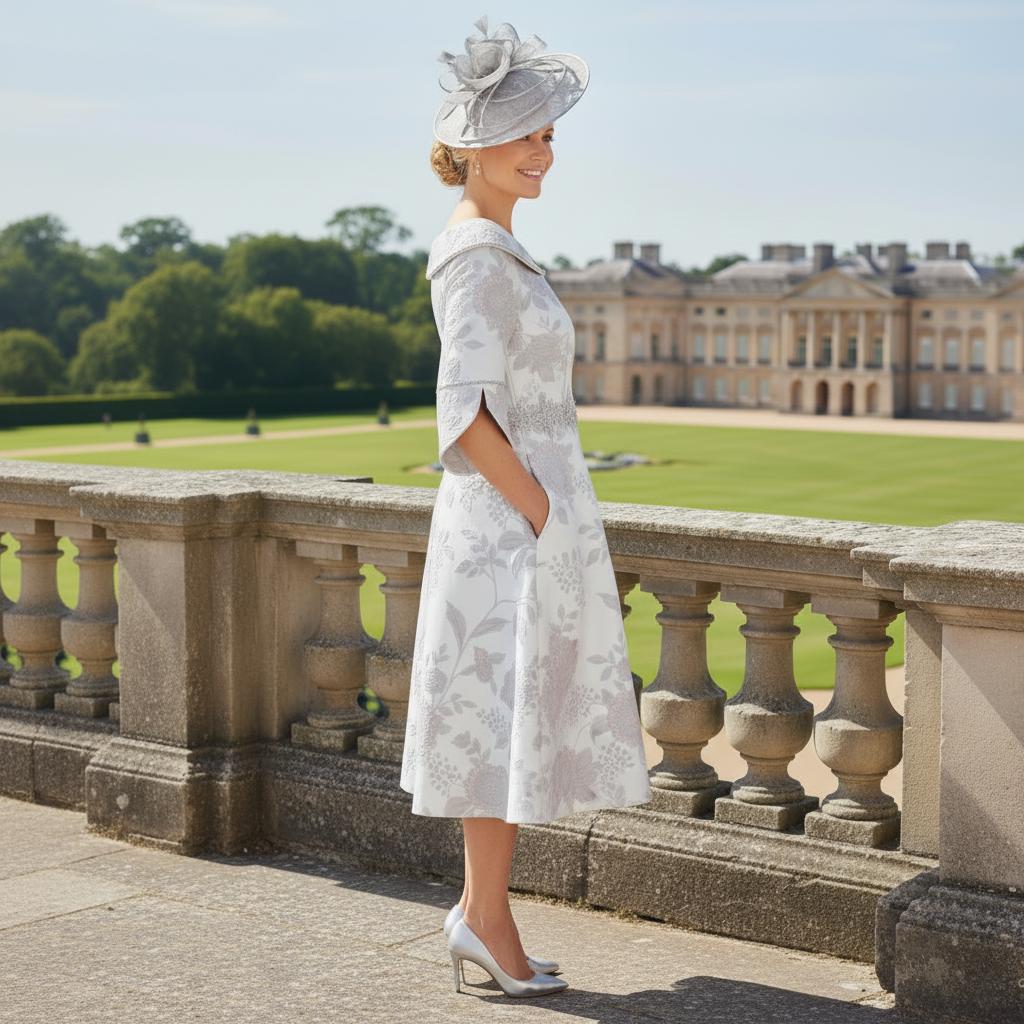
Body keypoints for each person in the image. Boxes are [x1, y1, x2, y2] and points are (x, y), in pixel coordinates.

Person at [399, 15, 652, 998]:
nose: (545, 150)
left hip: (523, 521)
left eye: (550, 134)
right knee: (494, 730)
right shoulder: (472, 256)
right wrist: (544, 517)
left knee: (503, 734)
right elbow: (462, 419)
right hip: (506, 528)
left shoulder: (499, 249)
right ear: (472, 149)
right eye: (527, 134)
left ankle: (479, 914)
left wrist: (552, 517)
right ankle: (485, 920)